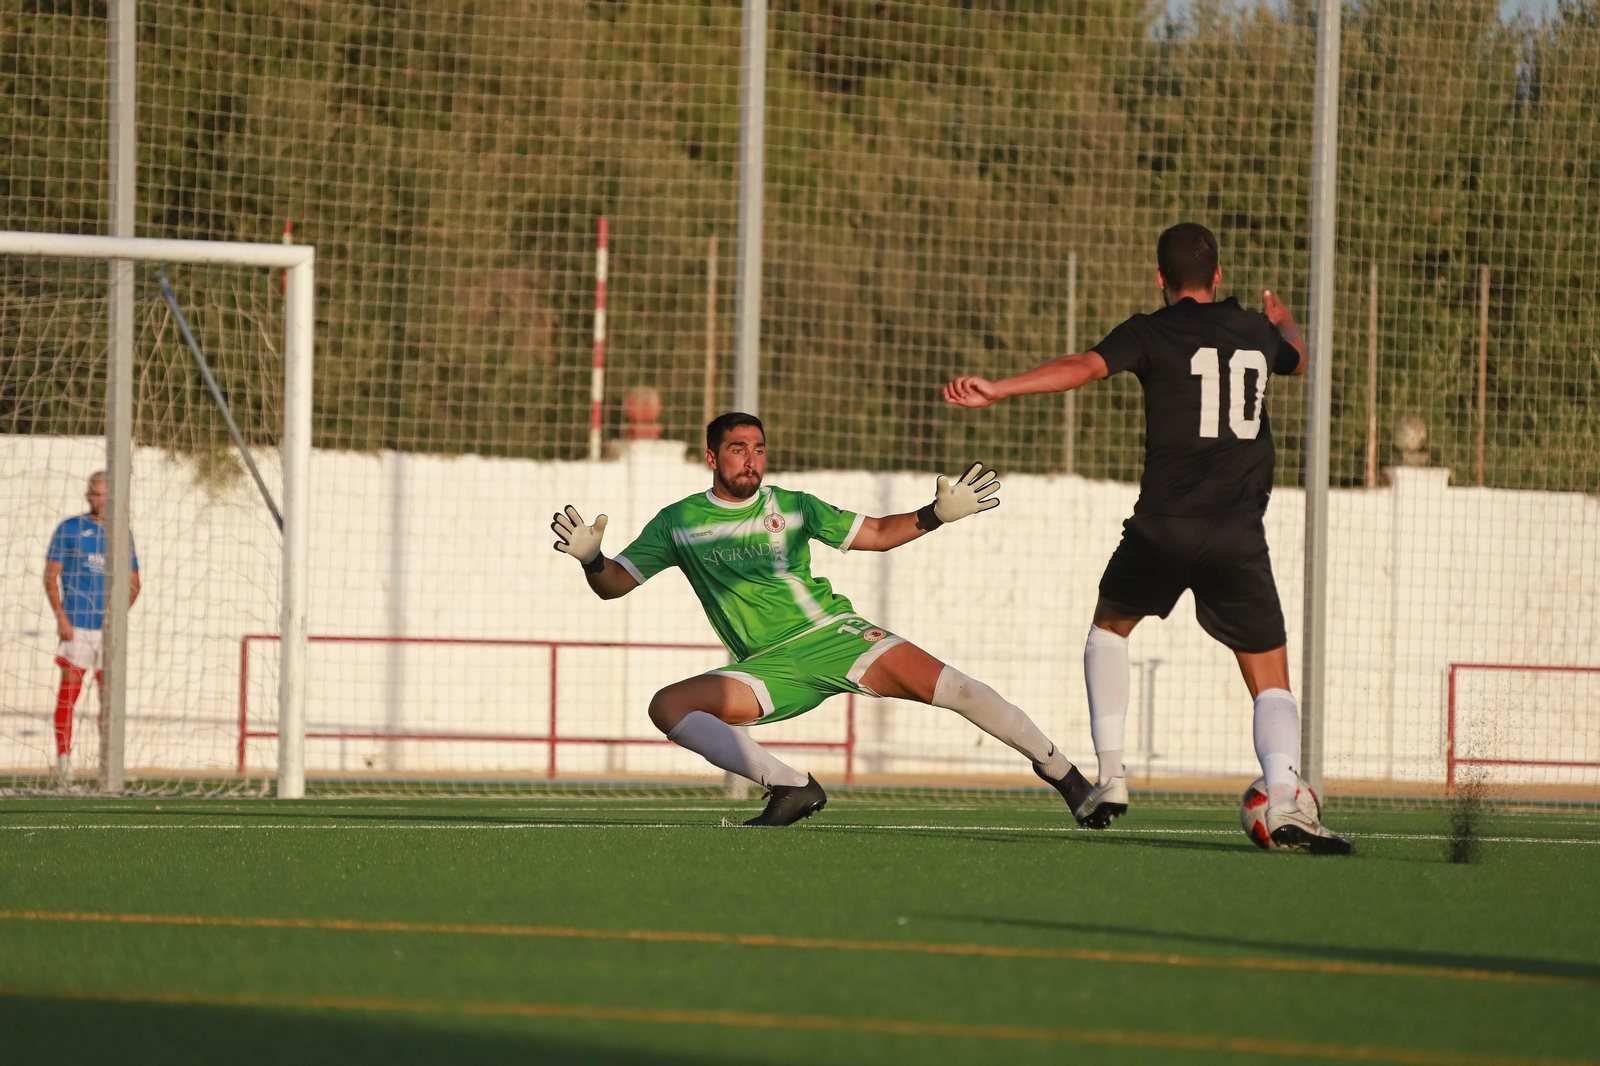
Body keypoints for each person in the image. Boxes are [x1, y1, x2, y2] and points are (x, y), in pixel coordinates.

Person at [943, 222, 1351, 855]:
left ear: (1160, 279)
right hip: (1237, 533)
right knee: (1270, 679)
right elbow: (1298, 356)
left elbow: (1083, 367)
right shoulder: (1254, 330)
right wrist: (1285, 319)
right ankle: (1286, 798)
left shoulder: (1150, 331)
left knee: (1109, 629)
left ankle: (1111, 776)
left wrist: (1001, 387)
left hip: (1162, 526)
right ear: (1218, 276)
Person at [551, 412, 1097, 826]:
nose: (751, 459)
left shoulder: (793, 505)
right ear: (713, 459)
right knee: (666, 706)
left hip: (834, 636)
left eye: (759, 449)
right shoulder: (679, 521)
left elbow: (880, 534)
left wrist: (936, 515)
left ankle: (1062, 774)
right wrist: (593, 560)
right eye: (737, 450)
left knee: (960, 690)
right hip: (769, 667)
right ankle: (792, 788)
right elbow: (613, 586)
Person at [43, 471, 140, 786]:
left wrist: (115, 620)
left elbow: (135, 584)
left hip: (107, 633)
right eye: (95, 494)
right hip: (77, 627)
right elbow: (50, 576)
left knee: (109, 699)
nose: (99, 500)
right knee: (68, 695)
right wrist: (61, 618)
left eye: (105, 495)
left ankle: (107, 764)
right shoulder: (70, 528)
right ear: (88, 495)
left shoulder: (122, 533)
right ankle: (64, 764)